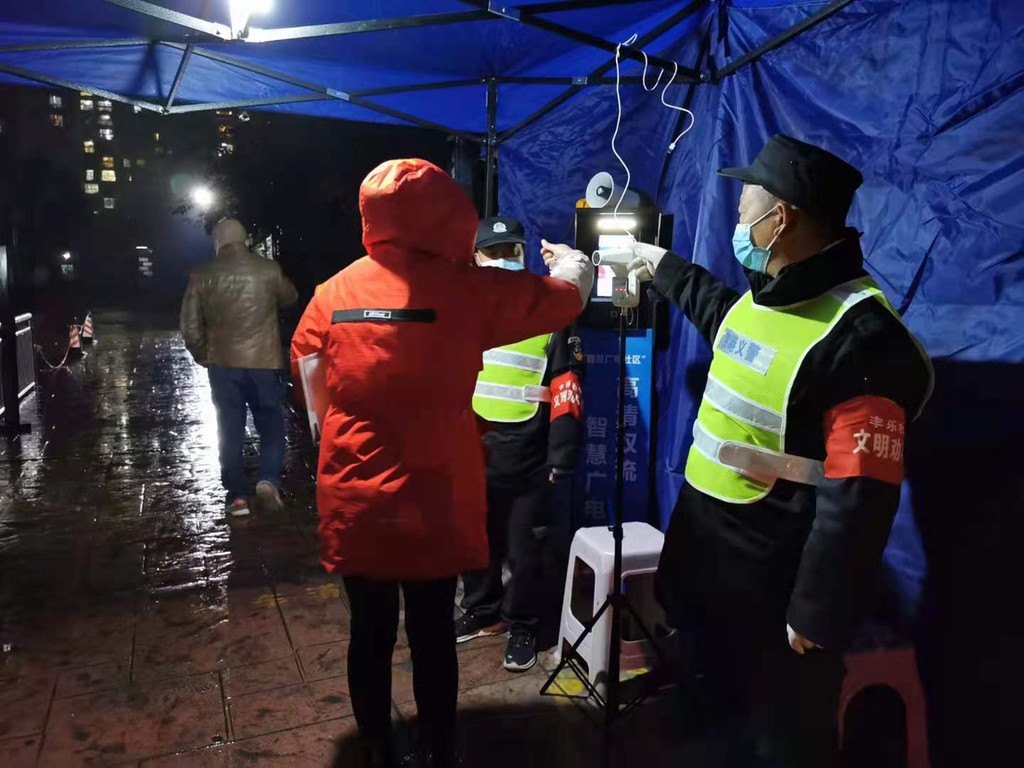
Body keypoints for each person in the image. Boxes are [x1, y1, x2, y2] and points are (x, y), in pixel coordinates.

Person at [627, 135, 933, 767]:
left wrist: (815, 614)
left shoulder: (861, 339)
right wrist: (660, 264)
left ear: (780, 217)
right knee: (709, 716)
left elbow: (859, 497)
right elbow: (724, 318)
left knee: (780, 737)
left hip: (770, 585)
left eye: (746, 204)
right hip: (708, 553)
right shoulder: (768, 291)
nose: (737, 217)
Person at [289, 159, 593, 768]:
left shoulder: (332, 294)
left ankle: (377, 747)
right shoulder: (469, 290)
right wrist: (575, 266)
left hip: (356, 494)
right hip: (434, 493)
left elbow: (310, 387)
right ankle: (438, 750)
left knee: (369, 631)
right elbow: (563, 300)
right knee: (431, 631)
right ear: (447, 214)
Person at [455, 216, 585, 673]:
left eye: (511, 251)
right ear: (475, 258)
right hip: (473, 448)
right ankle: (483, 610)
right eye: (493, 252)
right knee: (475, 538)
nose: (504, 259)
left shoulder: (547, 308)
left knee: (526, 549)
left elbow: (567, 384)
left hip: (529, 454)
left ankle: (524, 625)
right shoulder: (460, 308)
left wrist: (561, 455)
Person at [181, 218, 298, 517]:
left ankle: (237, 498)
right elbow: (290, 297)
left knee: (229, 429)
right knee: (271, 423)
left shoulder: (201, 275)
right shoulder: (268, 270)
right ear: (246, 241)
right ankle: (268, 479)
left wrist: (204, 355)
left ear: (217, 243)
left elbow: (190, 327)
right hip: (265, 363)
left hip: (223, 366)